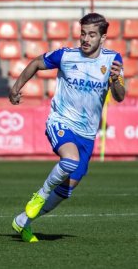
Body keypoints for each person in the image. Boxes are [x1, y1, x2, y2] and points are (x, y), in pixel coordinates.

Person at [9, 13, 125, 243]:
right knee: (69, 161)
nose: (85, 38)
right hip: (61, 121)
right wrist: (16, 88)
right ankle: (39, 196)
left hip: (87, 134)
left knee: (66, 190)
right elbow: (35, 63)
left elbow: (120, 96)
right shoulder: (66, 55)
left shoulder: (113, 60)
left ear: (102, 38)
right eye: (83, 33)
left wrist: (115, 81)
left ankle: (23, 221)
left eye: (92, 34)